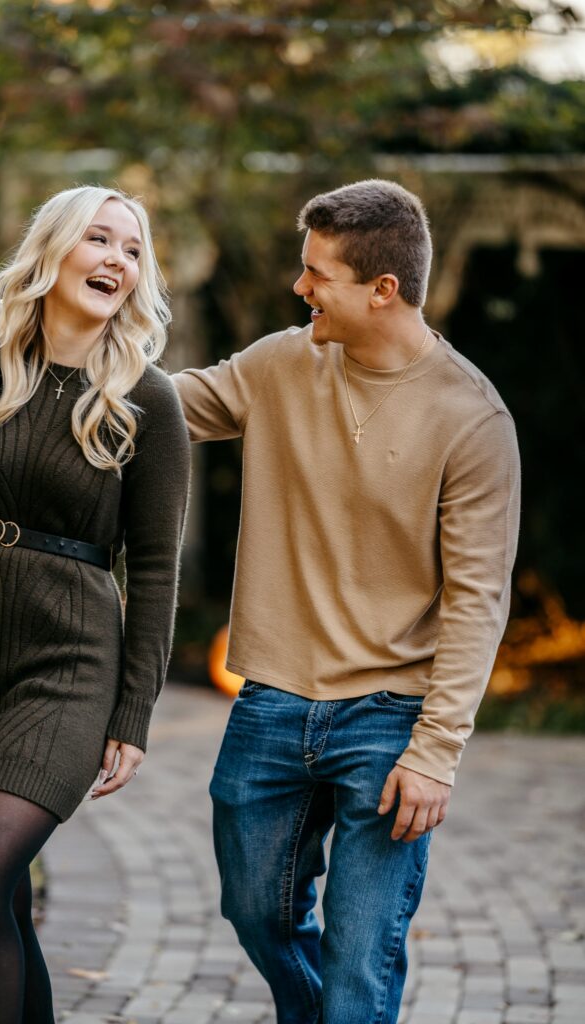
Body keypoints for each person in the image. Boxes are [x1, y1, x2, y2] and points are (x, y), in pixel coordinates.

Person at [170, 180, 521, 1023]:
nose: (301, 289)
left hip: (390, 721)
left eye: (316, 273)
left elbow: (478, 601)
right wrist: (50, 358)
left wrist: (435, 752)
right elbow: (163, 405)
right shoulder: (281, 363)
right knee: (255, 912)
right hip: (271, 702)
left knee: (360, 961)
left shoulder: (471, 420)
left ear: (382, 289)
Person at [0, 185, 190, 1024]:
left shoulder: (147, 395)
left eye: (131, 250)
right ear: (53, 251)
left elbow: (158, 570)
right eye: (98, 239)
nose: (116, 260)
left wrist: (132, 715)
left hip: (68, 664)